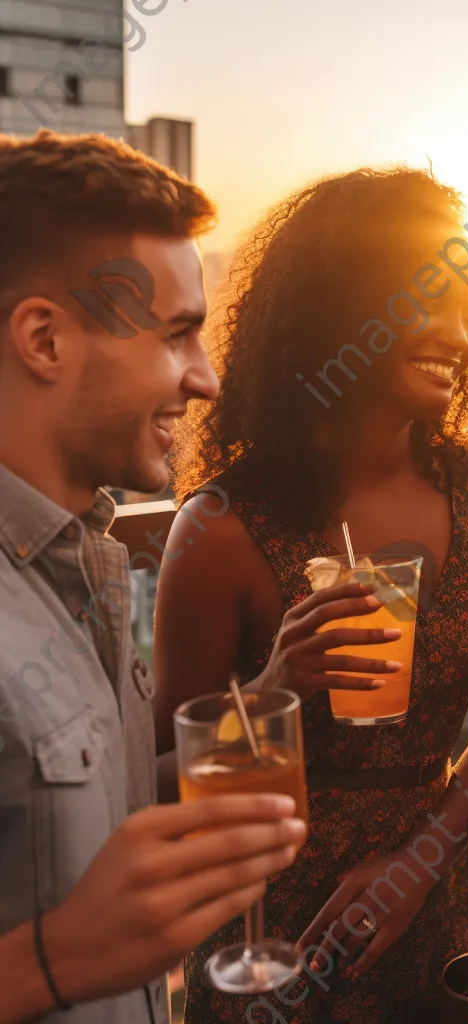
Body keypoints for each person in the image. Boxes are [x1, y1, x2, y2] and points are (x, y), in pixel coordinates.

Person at [152, 167, 468, 1022]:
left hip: (433, 906)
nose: (461, 335)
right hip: (275, 942)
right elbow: (153, 780)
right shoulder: (220, 527)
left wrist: (416, 865)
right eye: (426, 301)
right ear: (336, 313)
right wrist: (271, 691)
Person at [0, 130, 306, 1024]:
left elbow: (95, 812)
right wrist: (47, 966)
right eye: (177, 336)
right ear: (44, 340)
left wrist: (272, 695)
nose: (206, 379)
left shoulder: (90, 561)